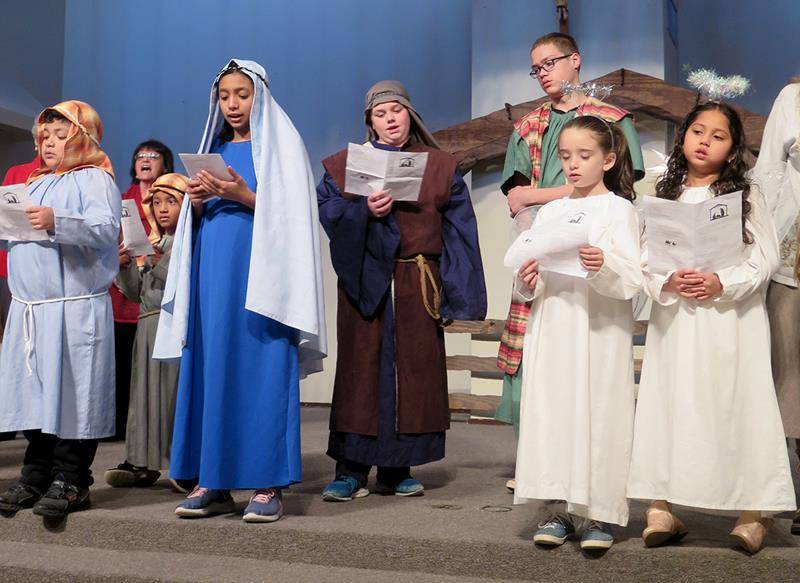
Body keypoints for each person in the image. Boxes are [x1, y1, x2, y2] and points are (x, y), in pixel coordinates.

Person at [153, 59, 326, 523]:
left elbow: (294, 214)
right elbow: (199, 217)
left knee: (262, 366)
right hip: (215, 270)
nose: (232, 104)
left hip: (264, 275)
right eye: (224, 96)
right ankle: (212, 479)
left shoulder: (282, 146)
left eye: (241, 95)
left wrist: (242, 196)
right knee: (213, 365)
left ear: (260, 96)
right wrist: (196, 201)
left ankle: (268, 483)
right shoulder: (214, 148)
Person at [627, 102, 796, 554]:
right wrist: (666, 278)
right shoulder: (664, 193)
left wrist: (724, 281)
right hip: (677, 318)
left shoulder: (746, 195)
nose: (704, 140)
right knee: (671, 403)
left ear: (733, 147)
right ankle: (661, 504)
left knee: (739, 403)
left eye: (717, 135)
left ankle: (754, 510)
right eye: (697, 131)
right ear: (683, 136)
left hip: (730, 319)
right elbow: (642, 258)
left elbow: (766, 258)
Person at [317, 80, 486, 502]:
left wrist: (459, 292)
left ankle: (397, 469)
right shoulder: (343, 166)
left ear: (410, 114)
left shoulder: (440, 165)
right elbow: (329, 213)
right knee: (361, 370)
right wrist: (362, 209)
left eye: (397, 110)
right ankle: (350, 468)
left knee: (413, 373)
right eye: (381, 113)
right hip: (365, 280)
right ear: (369, 121)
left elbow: (459, 229)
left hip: (416, 281)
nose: (391, 118)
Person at [495, 34, 644, 490]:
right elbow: (516, 196)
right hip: (547, 243)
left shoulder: (611, 119)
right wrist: (537, 212)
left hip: (593, 243)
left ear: (575, 61)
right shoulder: (529, 125)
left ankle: (596, 476)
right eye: (535, 68)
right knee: (537, 348)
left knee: (594, 363)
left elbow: (618, 187)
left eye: (550, 63)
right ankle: (541, 463)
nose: (543, 73)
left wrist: (543, 194)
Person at [513, 116, 641, 551]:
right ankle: (558, 508)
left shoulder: (620, 210)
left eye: (584, 156)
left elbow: (632, 280)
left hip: (598, 327)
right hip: (553, 325)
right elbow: (533, 273)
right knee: (554, 411)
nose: (573, 164)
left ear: (607, 159)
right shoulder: (551, 211)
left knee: (600, 411)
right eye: (565, 156)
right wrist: (527, 281)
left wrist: (601, 264)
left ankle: (598, 513)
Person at [0, 100, 120, 518]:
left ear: (82, 136)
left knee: (73, 397)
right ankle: (35, 474)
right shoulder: (33, 181)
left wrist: (56, 220)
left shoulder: (93, 177)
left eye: (59, 134)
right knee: (35, 396)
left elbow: (106, 229)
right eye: (43, 135)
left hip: (74, 309)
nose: (48, 142)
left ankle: (72, 478)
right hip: (32, 308)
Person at [104, 173, 187, 489]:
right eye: (157, 202)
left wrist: (158, 258)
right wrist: (125, 265)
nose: (163, 209)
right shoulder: (152, 241)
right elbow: (136, 292)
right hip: (147, 325)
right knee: (143, 397)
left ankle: (182, 462)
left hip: (173, 326)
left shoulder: (189, 242)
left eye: (171, 202)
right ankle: (141, 461)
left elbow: (182, 282)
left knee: (172, 396)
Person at [752, 79, 800, 535]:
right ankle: (797, 486)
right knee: (789, 369)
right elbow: (768, 172)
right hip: (795, 252)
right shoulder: (793, 97)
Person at [110, 140, 174, 440]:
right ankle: (125, 429)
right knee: (125, 365)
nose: (145, 160)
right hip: (128, 290)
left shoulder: (174, 199)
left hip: (161, 296)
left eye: (153, 156)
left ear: (166, 164)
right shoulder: (121, 201)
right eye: (140, 156)